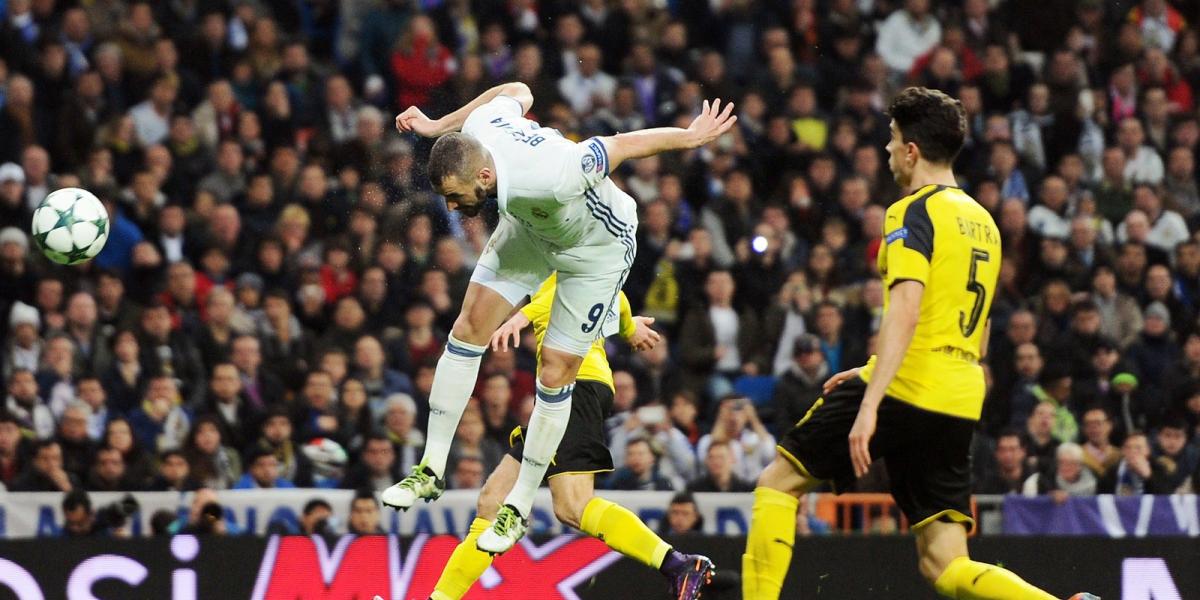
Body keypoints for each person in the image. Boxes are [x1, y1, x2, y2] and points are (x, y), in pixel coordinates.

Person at [741, 88, 1098, 600]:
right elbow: (973, 325)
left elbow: (907, 310)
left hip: (907, 385)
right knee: (944, 563)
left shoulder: (910, 212)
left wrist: (871, 401)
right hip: (959, 394)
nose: (887, 152)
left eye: (891, 141)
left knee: (778, 483)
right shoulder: (986, 224)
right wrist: (870, 369)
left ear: (911, 150)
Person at [381, 79, 735, 560]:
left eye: (454, 194)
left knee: (555, 371)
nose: (449, 206)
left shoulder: (554, 173)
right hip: (532, 229)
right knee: (466, 331)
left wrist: (690, 137)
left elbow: (621, 144)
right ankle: (430, 469)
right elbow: (520, 88)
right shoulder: (485, 129)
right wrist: (438, 126)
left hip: (596, 248)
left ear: (484, 177)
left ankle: (519, 506)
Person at [427, 274, 714, 600]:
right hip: (562, 392)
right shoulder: (593, 263)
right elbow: (614, 299)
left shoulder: (560, 258)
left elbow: (562, 292)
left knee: (574, 506)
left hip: (575, 387)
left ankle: (677, 564)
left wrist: (520, 318)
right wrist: (629, 327)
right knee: (492, 501)